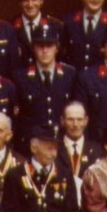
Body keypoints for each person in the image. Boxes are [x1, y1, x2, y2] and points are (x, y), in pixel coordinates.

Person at [14, 23, 77, 154]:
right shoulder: (21, 76)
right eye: (40, 46)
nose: (44, 50)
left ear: (57, 48)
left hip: (61, 143)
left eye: (49, 45)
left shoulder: (69, 74)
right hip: (32, 145)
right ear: (33, 48)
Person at [13, 0, 64, 66]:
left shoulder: (56, 26)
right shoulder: (11, 27)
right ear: (19, 2)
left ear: (42, 1)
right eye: (25, 0)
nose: (30, 4)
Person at [57, 101, 102, 180]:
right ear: (62, 121)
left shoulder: (98, 151)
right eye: (70, 119)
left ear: (86, 121)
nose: (75, 124)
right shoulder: (55, 149)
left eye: (80, 119)